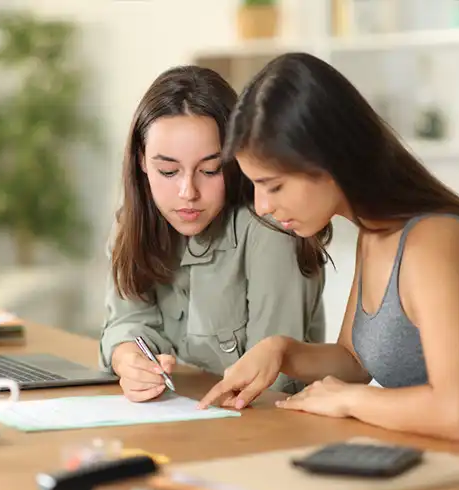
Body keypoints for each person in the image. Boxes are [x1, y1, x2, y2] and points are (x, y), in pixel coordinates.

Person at [198, 52, 459, 464]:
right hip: (438, 475)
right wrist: (281, 351)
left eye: (274, 185)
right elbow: (356, 359)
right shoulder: (375, 233)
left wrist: (349, 401)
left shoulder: (433, 243)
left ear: (328, 161)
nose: (262, 205)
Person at [100, 65, 327, 403]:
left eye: (210, 169)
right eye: (167, 170)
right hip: (179, 418)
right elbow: (127, 322)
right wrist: (128, 360)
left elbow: (274, 385)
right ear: (141, 162)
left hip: (262, 428)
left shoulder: (272, 228)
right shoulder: (133, 223)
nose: (187, 191)